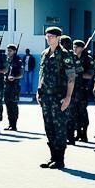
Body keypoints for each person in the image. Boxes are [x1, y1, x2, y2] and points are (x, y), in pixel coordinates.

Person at [37, 27, 75, 169]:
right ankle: (53, 156)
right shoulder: (44, 54)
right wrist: (39, 91)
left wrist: (68, 98)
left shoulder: (64, 54)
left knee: (59, 128)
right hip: (46, 97)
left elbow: (71, 78)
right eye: (47, 35)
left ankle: (60, 159)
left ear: (58, 38)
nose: (49, 38)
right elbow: (42, 74)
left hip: (59, 97)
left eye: (52, 36)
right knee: (49, 128)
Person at [3, 43, 23, 131]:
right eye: (8, 50)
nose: (8, 52)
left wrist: (14, 77)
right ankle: (10, 123)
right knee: (8, 104)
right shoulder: (6, 60)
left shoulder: (18, 61)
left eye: (10, 51)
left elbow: (21, 74)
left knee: (13, 105)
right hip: (6, 85)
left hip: (14, 86)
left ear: (14, 51)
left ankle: (14, 125)